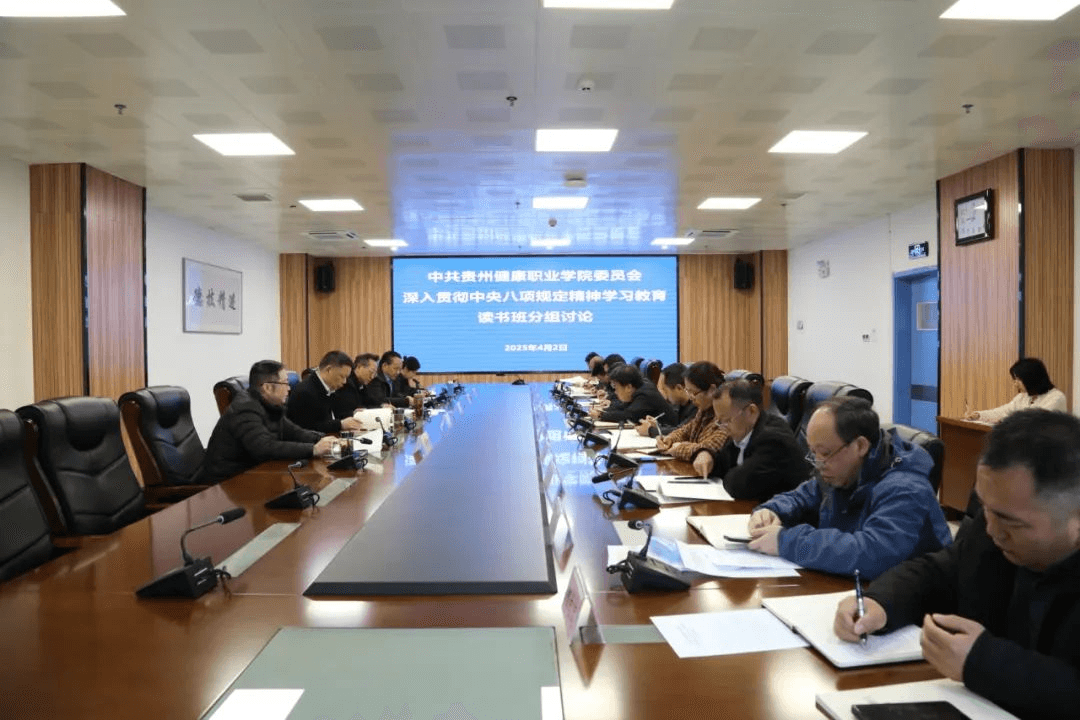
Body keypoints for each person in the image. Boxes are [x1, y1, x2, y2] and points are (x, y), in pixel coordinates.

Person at [835, 410, 1080, 719]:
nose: (991, 529)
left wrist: (982, 662)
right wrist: (879, 603)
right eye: (985, 507)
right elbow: (939, 572)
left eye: (1010, 522)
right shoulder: (994, 527)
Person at [747, 396, 951, 580]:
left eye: (824, 453)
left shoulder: (906, 488)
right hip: (853, 587)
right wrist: (771, 511)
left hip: (915, 600)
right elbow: (801, 496)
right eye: (813, 452)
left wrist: (787, 542)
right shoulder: (840, 470)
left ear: (860, 446)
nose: (818, 464)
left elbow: (872, 554)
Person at [202, 360, 336, 484]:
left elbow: (294, 432)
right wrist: (313, 449)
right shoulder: (245, 408)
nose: (289, 389)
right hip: (228, 481)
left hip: (255, 472)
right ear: (267, 388)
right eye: (285, 383)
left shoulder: (270, 405)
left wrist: (324, 439)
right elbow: (264, 447)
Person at [708, 379, 809, 501]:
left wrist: (727, 474)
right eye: (719, 421)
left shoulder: (773, 440)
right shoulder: (742, 431)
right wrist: (707, 456)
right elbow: (721, 465)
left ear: (751, 411)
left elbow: (738, 485)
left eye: (727, 420)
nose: (722, 427)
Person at [653, 361, 729, 475]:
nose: (691, 398)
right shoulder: (704, 409)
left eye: (693, 393)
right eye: (688, 391)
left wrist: (678, 448)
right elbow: (686, 430)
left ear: (712, 390)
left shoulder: (726, 412)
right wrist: (669, 439)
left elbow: (709, 448)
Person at [965, 357, 1067, 423]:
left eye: (1018, 379)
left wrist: (1007, 420)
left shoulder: (1056, 398)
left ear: (1031, 378)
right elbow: (1003, 411)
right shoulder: (1023, 397)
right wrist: (978, 415)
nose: (1015, 383)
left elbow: (1035, 421)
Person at [286, 350, 366, 434]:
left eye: (346, 378)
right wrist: (340, 425)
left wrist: (353, 414)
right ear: (329, 370)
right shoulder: (305, 392)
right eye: (342, 377)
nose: (344, 382)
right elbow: (308, 428)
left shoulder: (329, 388)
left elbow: (336, 415)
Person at [589, 364, 671, 425]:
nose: (615, 392)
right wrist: (602, 411)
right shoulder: (639, 389)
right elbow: (623, 407)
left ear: (628, 387)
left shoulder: (645, 394)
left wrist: (601, 415)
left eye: (616, 387)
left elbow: (629, 416)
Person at [635, 362, 696, 437]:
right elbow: (676, 427)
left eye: (665, 390)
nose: (664, 396)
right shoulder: (681, 405)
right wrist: (657, 426)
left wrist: (650, 430)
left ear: (679, 388)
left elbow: (682, 432)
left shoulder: (696, 405)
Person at [331, 352, 382, 418]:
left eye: (375, 374)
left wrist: (382, 406)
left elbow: (370, 402)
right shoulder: (346, 383)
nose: (372, 377)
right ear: (359, 367)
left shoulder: (362, 384)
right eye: (371, 372)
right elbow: (344, 412)